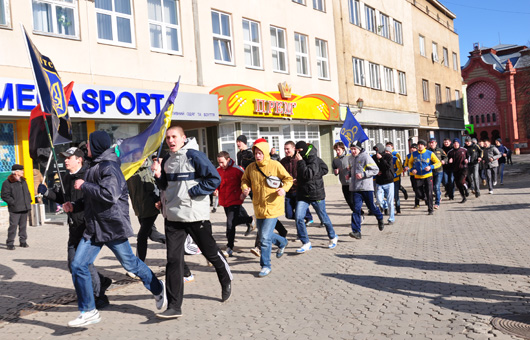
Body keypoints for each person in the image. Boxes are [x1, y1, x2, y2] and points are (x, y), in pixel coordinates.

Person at [64, 131, 166, 327]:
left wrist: (84, 185)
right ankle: (89, 310)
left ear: (97, 146)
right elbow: (93, 198)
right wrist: (75, 206)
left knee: (131, 265)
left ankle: (157, 287)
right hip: (94, 227)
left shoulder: (110, 167)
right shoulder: (95, 166)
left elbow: (109, 195)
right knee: (78, 265)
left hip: (111, 226)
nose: (86, 148)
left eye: (88, 144)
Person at [152, 126, 231, 318]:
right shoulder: (167, 159)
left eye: (174, 137)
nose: (171, 140)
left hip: (195, 215)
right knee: (173, 261)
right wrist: (158, 176)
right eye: (168, 137)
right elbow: (165, 186)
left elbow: (214, 179)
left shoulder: (194, 155)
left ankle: (225, 275)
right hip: (173, 217)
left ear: (183, 138)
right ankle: (174, 306)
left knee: (210, 252)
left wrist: (192, 192)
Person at [38, 147, 112, 309]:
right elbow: (62, 198)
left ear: (79, 159)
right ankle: (102, 281)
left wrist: (75, 206)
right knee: (73, 264)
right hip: (74, 227)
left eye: (68, 157)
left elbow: (93, 200)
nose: (65, 160)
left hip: (88, 226)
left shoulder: (89, 176)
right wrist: (47, 193)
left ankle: (99, 296)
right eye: (64, 157)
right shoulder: (66, 177)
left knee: (84, 263)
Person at [240, 138, 292, 277]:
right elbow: (244, 180)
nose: (257, 156)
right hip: (259, 207)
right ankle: (283, 242)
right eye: (256, 153)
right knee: (266, 237)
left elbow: (288, 179)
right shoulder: (251, 167)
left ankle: (265, 265)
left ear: (265, 153)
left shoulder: (275, 165)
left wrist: (284, 189)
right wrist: (245, 188)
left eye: (260, 153)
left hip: (273, 206)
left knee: (263, 238)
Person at [293, 141, 338, 253]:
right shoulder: (299, 160)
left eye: (300, 151)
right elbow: (304, 175)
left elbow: (311, 173)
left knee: (323, 218)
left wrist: (313, 176)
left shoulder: (313, 158)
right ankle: (306, 242)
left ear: (304, 150)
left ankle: (333, 237)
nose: (298, 153)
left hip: (315, 193)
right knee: (298, 217)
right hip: (303, 194)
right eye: (296, 151)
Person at [126, 158, 166, 263]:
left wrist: (158, 200)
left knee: (142, 236)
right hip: (139, 209)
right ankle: (176, 243)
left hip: (151, 208)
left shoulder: (150, 169)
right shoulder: (130, 172)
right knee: (153, 235)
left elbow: (158, 186)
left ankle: (138, 265)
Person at [215, 151, 253, 256]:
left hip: (235, 199)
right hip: (225, 200)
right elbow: (216, 183)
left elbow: (246, 181)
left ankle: (230, 247)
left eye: (222, 162)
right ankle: (250, 219)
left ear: (228, 160)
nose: (220, 165)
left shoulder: (237, 169)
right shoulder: (218, 170)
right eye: (219, 162)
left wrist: (244, 193)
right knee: (232, 222)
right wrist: (215, 190)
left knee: (230, 224)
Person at [347, 142, 384, 239]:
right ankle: (356, 232)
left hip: (366, 188)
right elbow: (352, 170)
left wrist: (363, 174)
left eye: (355, 149)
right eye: (351, 149)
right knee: (356, 209)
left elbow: (375, 170)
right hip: (355, 189)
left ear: (359, 149)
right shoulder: (350, 158)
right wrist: (349, 174)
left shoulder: (366, 157)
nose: (353, 151)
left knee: (371, 207)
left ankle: (380, 217)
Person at [405, 139, 441, 215]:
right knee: (418, 193)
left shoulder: (430, 153)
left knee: (429, 192)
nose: (420, 146)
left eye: (421, 144)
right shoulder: (414, 154)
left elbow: (438, 163)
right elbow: (410, 162)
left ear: (425, 146)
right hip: (418, 176)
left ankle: (430, 209)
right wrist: (412, 169)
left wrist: (430, 167)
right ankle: (425, 199)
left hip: (428, 176)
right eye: (419, 144)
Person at [281, 141, 313, 222]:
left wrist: (297, 180)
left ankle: (306, 219)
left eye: (288, 149)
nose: (286, 151)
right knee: (288, 215)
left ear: (293, 149)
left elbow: (305, 173)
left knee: (300, 209)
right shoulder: (282, 161)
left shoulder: (299, 159)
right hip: (288, 190)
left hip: (298, 190)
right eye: (285, 149)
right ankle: (301, 219)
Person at [1, 164, 31, 250]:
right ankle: (10, 243)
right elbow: (4, 195)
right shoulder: (7, 183)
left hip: (24, 207)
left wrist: (29, 201)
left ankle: (23, 241)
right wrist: (13, 203)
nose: (23, 172)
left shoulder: (23, 181)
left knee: (23, 226)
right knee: (13, 226)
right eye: (21, 170)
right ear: (16, 172)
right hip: (15, 208)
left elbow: (27, 192)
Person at [374, 146, 395, 225]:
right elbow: (371, 167)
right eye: (375, 150)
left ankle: (391, 219)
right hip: (379, 182)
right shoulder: (374, 157)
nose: (377, 152)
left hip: (389, 182)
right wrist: (376, 171)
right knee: (379, 200)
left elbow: (387, 167)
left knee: (390, 201)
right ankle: (384, 206)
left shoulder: (388, 157)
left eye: (378, 150)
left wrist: (381, 159)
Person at [385, 142, 406, 214]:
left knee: (395, 194)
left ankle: (398, 209)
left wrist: (396, 174)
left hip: (395, 179)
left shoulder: (396, 156)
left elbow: (400, 167)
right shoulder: (383, 158)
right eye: (386, 149)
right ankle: (387, 209)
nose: (387, 151)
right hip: (387, 180)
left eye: (389, 148)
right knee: (386, 195)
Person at [332, 141, 354, 211]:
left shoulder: (350, 157)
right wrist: (336, 172)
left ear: (343, 149)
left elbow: (356, 167)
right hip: (344, 183)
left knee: (352, 200)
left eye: (339, 150)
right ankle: (359, 212)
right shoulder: (335, 160)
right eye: (336, 150)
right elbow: (334, 170)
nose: (337, 151)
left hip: (352, 182)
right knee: (348, 201)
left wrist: (350, 168)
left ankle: (358, 214)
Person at [447, 138, 469, 203]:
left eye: (457, 143)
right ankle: (463, 197)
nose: (456, 144)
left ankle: (466, 187)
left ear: (459, 143)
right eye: (454, 143)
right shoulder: (450, 152)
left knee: (461, 181)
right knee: (458, 184)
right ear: (453, 144)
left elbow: (468, 157)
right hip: (455, 169)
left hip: (463, 168)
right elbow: (447, 160)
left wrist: (467, 160)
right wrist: (449, 161)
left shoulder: (464, 150)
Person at [427, 138, 447, 209]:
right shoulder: (427, 151)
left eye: (433, 143)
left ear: (436, 143)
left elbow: (445, 157)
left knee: (436, 186)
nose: (432, 144)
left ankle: (437, 203)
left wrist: (444, 161)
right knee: (432, 188)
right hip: (430, 172)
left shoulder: (440, 150)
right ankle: (439, 195)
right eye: (430, 143)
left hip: (439, 171)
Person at [405, 144, 420, 208]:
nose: (412, 149)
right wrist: (406, 167)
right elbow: (405, 164)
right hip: (412, 175)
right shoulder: (408, 156)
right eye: (411, 148)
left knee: (418, 189)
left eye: (414, 148)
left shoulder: (419, 155)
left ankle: (417, 203)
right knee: (415, 188)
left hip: (419, 174)